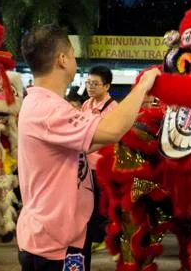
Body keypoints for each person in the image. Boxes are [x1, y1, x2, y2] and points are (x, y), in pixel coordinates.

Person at [16, 24, 161, 271]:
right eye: (73, 54)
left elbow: (95, 140)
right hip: (53, 244)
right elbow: (112, 130)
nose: (75, 59)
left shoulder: (45, 104)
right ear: (62, 59)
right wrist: (143, 85)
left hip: (62, 235)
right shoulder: (48, 109)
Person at [81, 65, 118, 253]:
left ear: (107, 86)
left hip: (102, 165)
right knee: (88, 203)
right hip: (85, 164)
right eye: (88, 82)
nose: (90, 87)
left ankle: (102, 238)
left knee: (100, 205)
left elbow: (111, 137)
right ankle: (93, 236)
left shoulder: (113, 108)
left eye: (95, 84)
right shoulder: (87, 104)